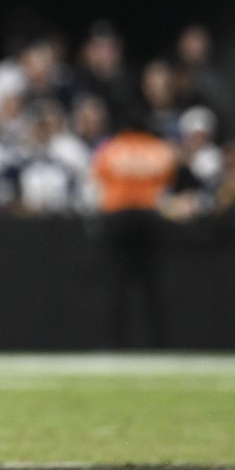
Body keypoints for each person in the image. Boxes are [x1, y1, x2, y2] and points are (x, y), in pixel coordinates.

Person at [90, 106, 177, 349]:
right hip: (149, 217)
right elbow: (166, 183)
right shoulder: (158, 149)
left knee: (116, 284)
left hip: (118, 217)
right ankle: (160, 343)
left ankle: (114, 344)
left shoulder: (111, 148)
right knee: (152, 285)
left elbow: (98, 180)